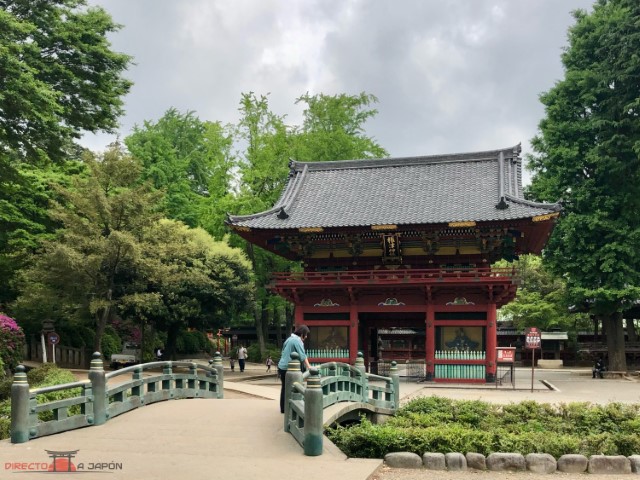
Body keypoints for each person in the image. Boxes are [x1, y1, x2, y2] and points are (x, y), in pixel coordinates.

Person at [277, 325, 311, 413]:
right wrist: (309, 367)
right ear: (302, 333)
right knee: (294, 387)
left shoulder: (289, 339)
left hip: (282, 366)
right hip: (289, 368)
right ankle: (290, 408)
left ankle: (283, 408)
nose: (306, 336)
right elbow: (302, 356)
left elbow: (283, 352)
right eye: (305, 334)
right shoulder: (297, 341)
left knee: (284, 387)